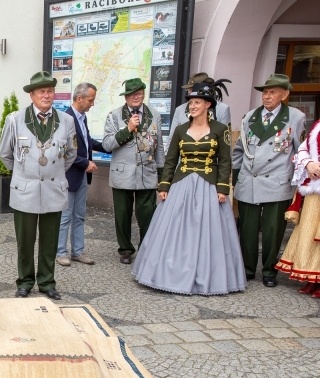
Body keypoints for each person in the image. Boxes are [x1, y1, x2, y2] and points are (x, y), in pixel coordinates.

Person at [132, 82, 246, 294]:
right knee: (173, 229)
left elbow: (224, 161)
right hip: (181, 183)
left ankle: (208, 277)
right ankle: (168, 274)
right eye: (191, 102)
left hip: (208, 185)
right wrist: (164, 185)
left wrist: (223, 188)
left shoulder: (221, 130)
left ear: (207, 105)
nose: (192, 106)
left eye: (196, 102)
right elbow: (170, 159)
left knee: (207, 232)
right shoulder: (181, 129)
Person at [0, 71, 77, 300]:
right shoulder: (15, 119)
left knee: (50, 240)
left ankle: (47, 281)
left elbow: (71, 153)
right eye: (41, 91)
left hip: (54, 188)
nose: (47, 95)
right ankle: (24, 281)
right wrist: (25, 173)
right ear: (31, 95)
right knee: (25, 240)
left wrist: (55, 172)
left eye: (50, 91)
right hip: (25, 189)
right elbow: (5, 154)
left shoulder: (66, 121)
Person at [232, 73, 306, 287]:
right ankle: (247, 268)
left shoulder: (295, 117)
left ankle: (269, 271)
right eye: (265, 92)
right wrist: (237, 179)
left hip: (277, 181)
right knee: (248, 228)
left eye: (272, 92)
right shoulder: (249, 117)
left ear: (285, 94)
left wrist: (296, 183)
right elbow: (239, 151)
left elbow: (299, 151)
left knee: (273, 231)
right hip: (250, 180)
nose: (267, 96)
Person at [102, 78, 165, 264]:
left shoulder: (154, 114)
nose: (135, 97)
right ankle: (125, 250)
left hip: (147, 172)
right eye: (131, 94)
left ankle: (146, 247)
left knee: (147, 213)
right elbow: (107, 144)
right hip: (122, 173)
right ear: (126, 97)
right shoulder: (114, 116)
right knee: (122, 214)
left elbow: (159, 146)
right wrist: (127, 130)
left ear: (144, 94)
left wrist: (162, 174)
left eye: (139, 93)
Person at [57, 82, 108, 267]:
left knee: (79, 216)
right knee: (65, 217)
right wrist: (85, 162)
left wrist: (106, 146)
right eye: (90, 100)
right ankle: (61, 252)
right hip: (69, 177)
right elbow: (64, 152)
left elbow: (86, 142)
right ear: (80, 99)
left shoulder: (82, 118)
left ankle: (77, 251)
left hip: (82, 178)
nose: (92, 104)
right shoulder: (66, 119)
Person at [275, 119, 320, 296]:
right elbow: (302, 149)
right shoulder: (317, 125)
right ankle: (312, 278)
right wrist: (309, 164)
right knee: (308, 234)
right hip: (313, 190)